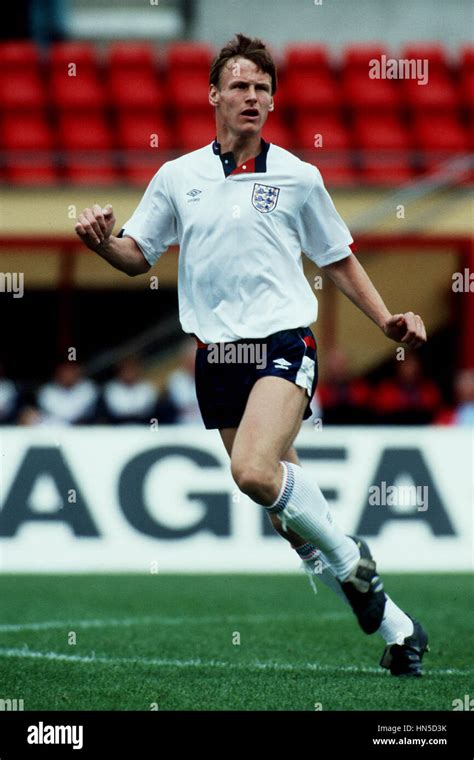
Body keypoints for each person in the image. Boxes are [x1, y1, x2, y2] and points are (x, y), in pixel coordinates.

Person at [74, 33, 429, 677]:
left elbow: (337, 257)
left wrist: (385, 320)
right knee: (286, 519)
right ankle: (399, 628)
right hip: (216, 357)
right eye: (239, 85)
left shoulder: (298, 175)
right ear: (213, 95)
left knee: (255, 474)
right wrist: (103, 243)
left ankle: (352, 560)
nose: (252, 97)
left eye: (263, 87)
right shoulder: (178, 176)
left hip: (283, 344)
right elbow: (136, 256)